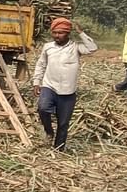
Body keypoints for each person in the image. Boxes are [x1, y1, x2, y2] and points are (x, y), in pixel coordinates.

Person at [32, 18, 97, 152]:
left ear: (67, 33)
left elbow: (92, 48)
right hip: (49, 86)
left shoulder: (76, 47)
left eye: (60, 33)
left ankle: (59, 149)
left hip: (68, 91)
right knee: (43, 108)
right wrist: (36, 82)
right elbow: (41, 64)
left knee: (63, 123)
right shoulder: (48, 47)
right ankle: (49, 132)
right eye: (55, 33)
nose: (57, 36)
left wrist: (81, 33)